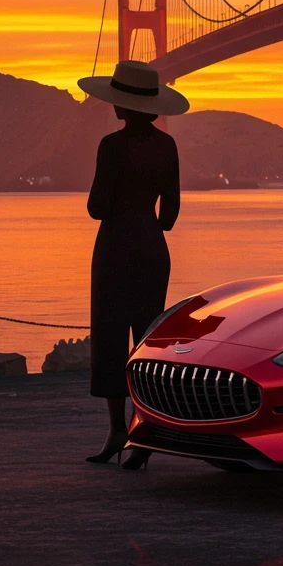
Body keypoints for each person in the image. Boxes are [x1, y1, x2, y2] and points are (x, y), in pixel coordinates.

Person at [77, 59, 189, 469]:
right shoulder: (167, 146)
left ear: (124, 105)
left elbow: (97, 208)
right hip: (152, 248)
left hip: (114, 249)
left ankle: (116, 431)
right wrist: (148, 216)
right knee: (147, 341)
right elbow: (170, 215)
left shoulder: (111, 145)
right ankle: (146, 431)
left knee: (110, 338)